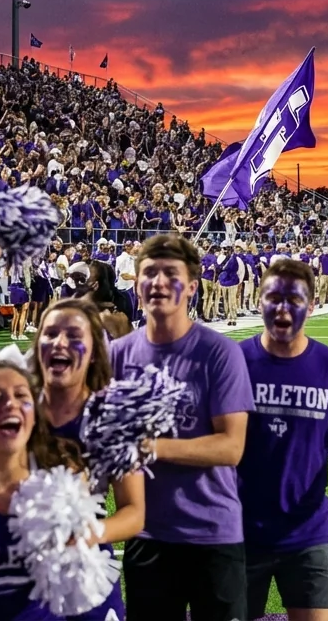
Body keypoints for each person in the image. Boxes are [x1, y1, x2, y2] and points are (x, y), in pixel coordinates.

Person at [109, 234, 253, 621]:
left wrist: (148, 447)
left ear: (191, 286)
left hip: (212, 532)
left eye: (169, 273)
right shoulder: (115, 356)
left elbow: (230, 447)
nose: (157, 282)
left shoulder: (220, 352)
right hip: (146, 533)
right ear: (136, 283)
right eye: (148, 273)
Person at [0, 361, 127, 620]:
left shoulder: (61, 475)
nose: (10, 404)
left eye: (21, 396)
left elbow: (75, 584)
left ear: (35, 414)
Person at [237, 259, 328, 621]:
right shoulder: (233, 362)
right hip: (237, 532)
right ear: (259, 301)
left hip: (307, 532)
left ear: (312, 306)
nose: (283, 308)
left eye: (295, 299)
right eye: (273, 297)